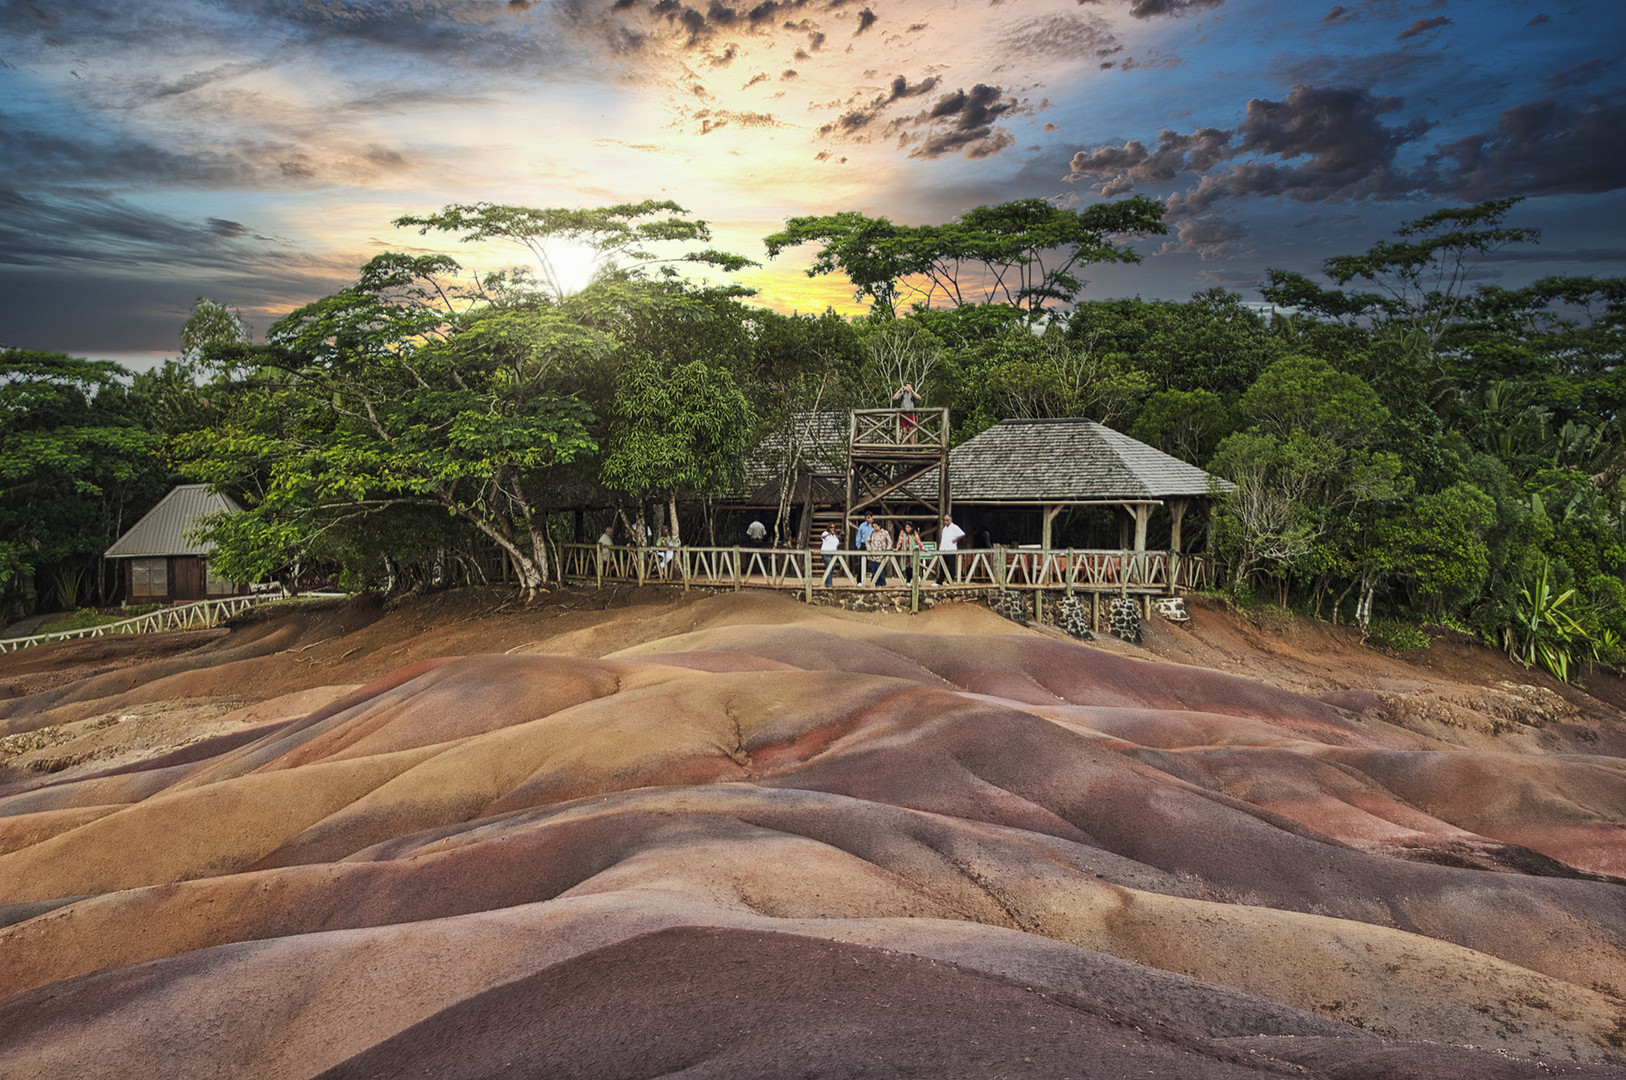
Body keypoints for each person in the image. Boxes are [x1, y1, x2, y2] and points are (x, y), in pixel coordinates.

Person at [936, 514, 966, 584]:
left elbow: (962, 534)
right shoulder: (944, 528)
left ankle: (950, 580)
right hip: (943, 549)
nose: (945, 522)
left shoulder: (954, 527)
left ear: (950, 520)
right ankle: (940, 580)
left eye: (947, 520)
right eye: (944, 520)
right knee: (942, 566)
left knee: (951, 566)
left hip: (951, 549)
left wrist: (955, 540)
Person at [866, 518, 893, 586]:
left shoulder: (885, 533)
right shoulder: (872, 533)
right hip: (873, 555)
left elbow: (889, 542)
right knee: (873, 570)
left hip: (881, 555)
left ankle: (882, 584)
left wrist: (887, 548)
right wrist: (869, 547)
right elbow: (867, 541)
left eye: (876, 526)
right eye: (874, 526)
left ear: (880, 526)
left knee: (880, 570)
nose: (875, 528)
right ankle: (875, 583)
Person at [854, 513, 875, 585]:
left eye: (869, 517)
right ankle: (860, 580)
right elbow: (859, 536)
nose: (867, 519)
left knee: (874, 563)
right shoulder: (862, 525)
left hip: (873, 545)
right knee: (862, 563)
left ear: (872, 517)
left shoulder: (875, 525)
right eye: (866, 518)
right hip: (863, 544)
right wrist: (859, 546)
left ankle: (874, 581)